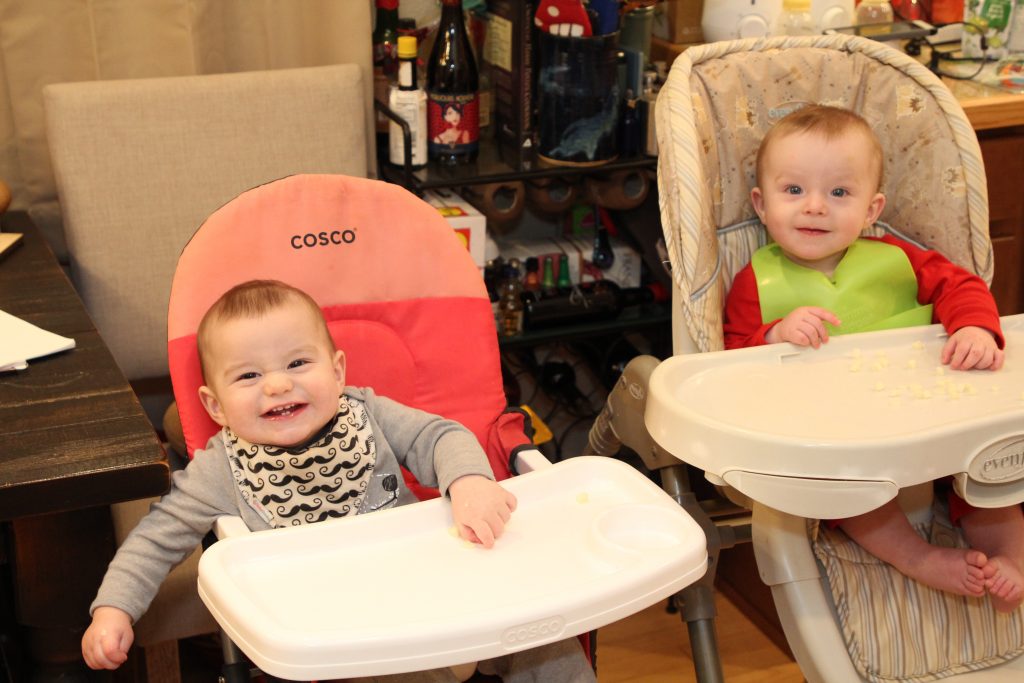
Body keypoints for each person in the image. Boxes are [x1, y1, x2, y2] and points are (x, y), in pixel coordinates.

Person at [82, 280, 596, 681]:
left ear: (337, 371)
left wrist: (467, 481)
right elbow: (155, 539)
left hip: (433, 576)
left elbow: (440, 436)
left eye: (297, 362)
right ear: (215, 406)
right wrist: (113, 609)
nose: (278, 384)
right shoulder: (220, 470)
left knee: (541, 635)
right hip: (347, 628)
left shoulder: (368, 414)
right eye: (249, 375)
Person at [723, 105, 1024, 612]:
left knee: (990, 477)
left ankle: (1010, 559)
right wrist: (774, 335)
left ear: (871, 209)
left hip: (933, 414)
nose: (815, 207)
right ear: (761, 204)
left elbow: (962, 287)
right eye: (793, 190)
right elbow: (730, 365)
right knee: (850, 497)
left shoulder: (899, 259)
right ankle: (918, 558)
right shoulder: (755, 283)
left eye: (839, 193)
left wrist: (973, 327)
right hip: (846, 438)